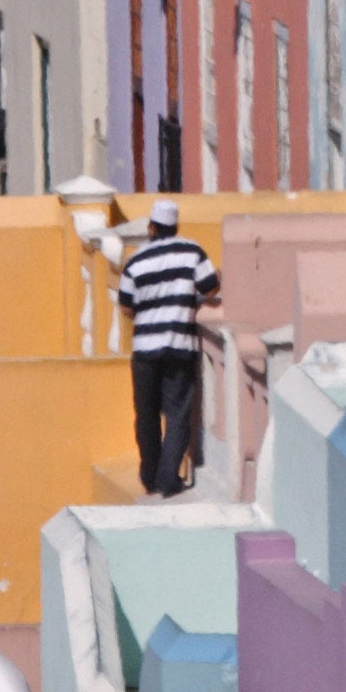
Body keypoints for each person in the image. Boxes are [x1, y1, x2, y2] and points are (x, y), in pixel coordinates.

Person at [117, 200, 220, 499]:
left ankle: (150, 475)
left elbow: (125, 306)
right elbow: (210, 288)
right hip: (179, 345)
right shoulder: (192, 252)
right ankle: (168, 478)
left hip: (145, 350)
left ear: (151, 228)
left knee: (146, 414)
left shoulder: (135, 261)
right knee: (177, 413)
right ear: (175, 226)